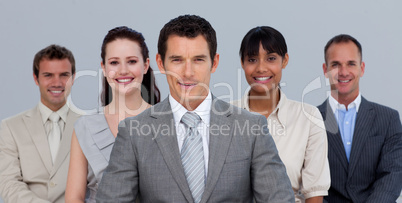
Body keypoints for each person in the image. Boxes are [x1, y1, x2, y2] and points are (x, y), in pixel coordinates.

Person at [96, 15, 294, 203]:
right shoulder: (133, 132)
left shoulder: (252, 128)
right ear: (160, 63)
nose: (187, 73)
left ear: (214, 62)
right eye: (177, 60)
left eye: (198, 60)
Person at [232, 26, 330, 203]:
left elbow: (314, 194)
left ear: (285, 60)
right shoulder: (225, 115)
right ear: (242, 63)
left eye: (271, 58)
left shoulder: (309, 117)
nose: (261, 68)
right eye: (252, 59)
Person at [65, 26, 160, 203]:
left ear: (145, 65)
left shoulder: (167, 122)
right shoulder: (84, 127)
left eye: (131, 61)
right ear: (103, 67)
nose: (123, 70)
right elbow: (74, 198)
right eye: (114, 62)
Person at [318, 34, 402, 202]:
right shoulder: (309, 120)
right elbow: (308, 182)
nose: (343, 72)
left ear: (362, 68)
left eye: (351, 64)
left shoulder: (389, 119)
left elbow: (392, 175)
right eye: (335, 64)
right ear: (325, 70)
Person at [0, 44, 80, 203]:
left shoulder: (89, 126)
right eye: (48, 75)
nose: (57, 83)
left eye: (64, 75)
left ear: (73, 77)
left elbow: (97, 182)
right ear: (36, 78)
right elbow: (8, 183)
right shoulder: (10, 127)